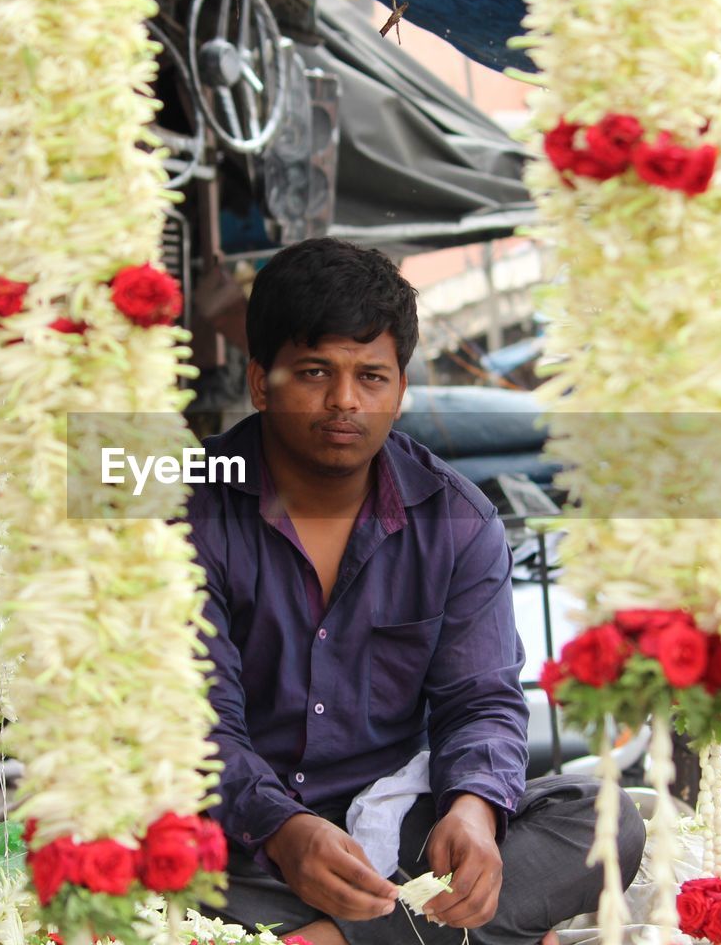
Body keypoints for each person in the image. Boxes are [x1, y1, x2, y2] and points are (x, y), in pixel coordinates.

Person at [186, 238, 645, 945]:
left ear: (400, 390)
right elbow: (199, 725)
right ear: (259, 382)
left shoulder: (457, 519)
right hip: (245, 841)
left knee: (602, 821)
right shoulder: (190, 509)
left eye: (371, 377)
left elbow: (481, 701)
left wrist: (472, 811)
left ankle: (335, 939)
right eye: (314, 372)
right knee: (131, 859)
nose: (345, 401)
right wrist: (284, 829)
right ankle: (463, 935)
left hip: (398, 828)